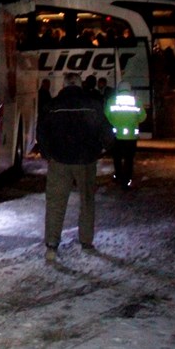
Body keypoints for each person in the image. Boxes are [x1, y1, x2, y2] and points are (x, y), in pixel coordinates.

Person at [37, 72, 115, 261]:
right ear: (80, 85)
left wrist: (48, 155)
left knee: (56, 203)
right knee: (86, 201)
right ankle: (86, 241)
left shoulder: (52, 106)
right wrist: (101, 150)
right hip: (86, 161)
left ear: (63, 85)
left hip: (59, 161)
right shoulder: (93, 105)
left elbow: (41, 133)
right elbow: (107, 133)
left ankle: (52, 244)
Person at [104, 81, 147, 190]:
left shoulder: (112, 100)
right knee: (129, 159)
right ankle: (127, 180)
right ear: (129, 89)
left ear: (119, 89)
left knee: (117, 157)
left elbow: (106, 116)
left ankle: (118, 176)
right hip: (131, 136)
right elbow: (143, 117)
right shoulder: (136, 101)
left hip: (116, 135)